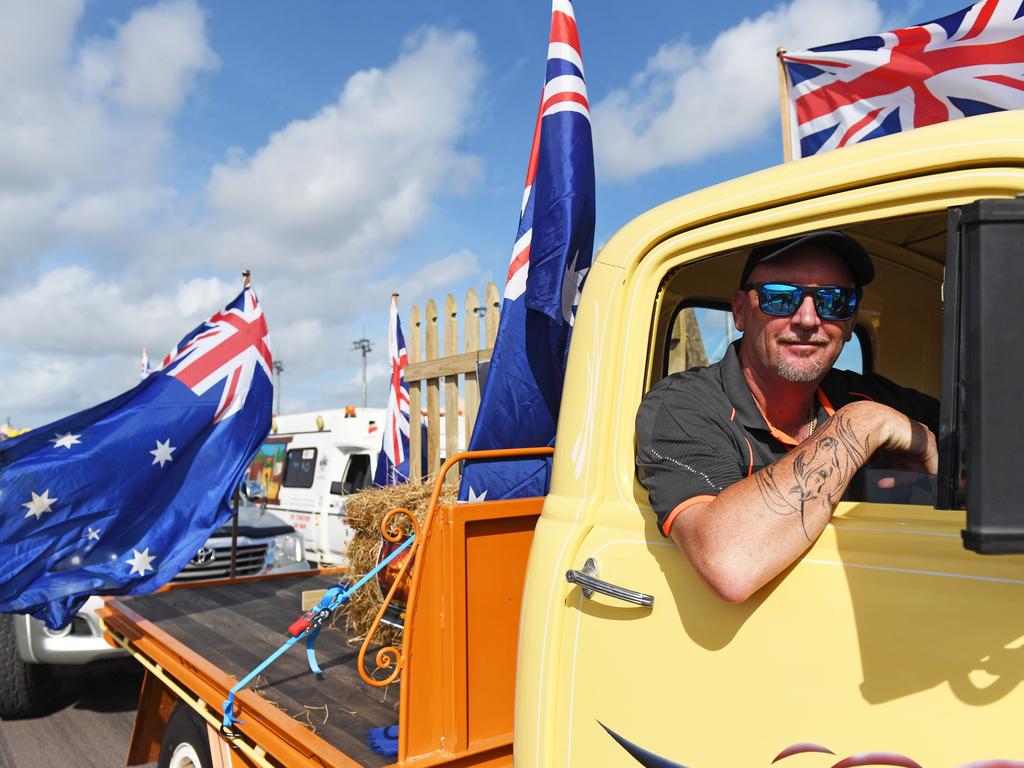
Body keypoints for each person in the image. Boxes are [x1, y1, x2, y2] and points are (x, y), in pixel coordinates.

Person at [635, 231, 939, 603]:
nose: (809, 319)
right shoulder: (680, 406)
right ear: (741, 311)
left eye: (834, 300)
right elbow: (730, 563)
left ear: (850, 320)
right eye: (780, 297)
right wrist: (861, 425)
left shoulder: (865, 394)